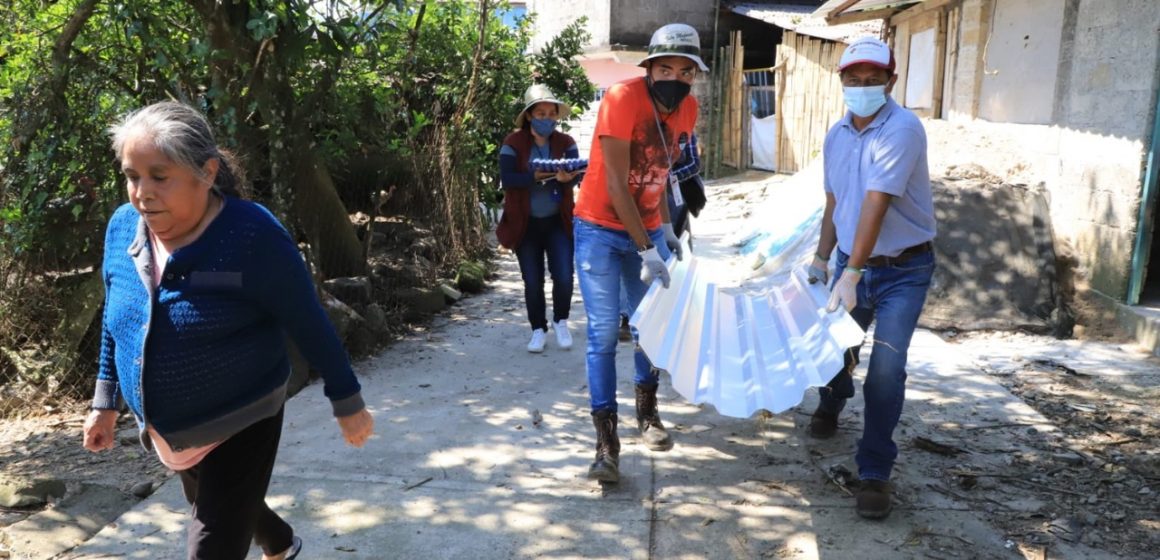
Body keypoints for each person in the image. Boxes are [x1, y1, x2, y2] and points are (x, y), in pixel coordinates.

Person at [82, 101, 375, 559]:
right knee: (227, 502)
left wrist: (347, 400)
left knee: (214, 537)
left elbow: (306, 317)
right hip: (170, 429)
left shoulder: (251, 235)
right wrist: (105, 401)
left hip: (244, 416)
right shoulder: (123, 228)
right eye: (132, 176)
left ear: (207, 171)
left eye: (160, 176)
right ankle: (281, 542)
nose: (142, 193)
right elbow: (118, 316)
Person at [805, 37, 937, 519]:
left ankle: (875, 469)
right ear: (841, 82)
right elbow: (836, 202)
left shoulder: (902, 130)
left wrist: (853, 272)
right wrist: (823, 261)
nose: (863, 88)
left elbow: (876, 205)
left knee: (885, 368)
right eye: (854, 80)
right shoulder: (836, 135)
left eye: (873, 81)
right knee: (837, 351)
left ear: (891, 82)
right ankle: (833, 397)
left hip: (904, 268)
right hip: (848, 261)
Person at [573, 22, 705, 483]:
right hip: (599, 229)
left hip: (648, 227)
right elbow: (615, 181)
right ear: (649, 68)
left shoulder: (688, 108)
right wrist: (646, 248)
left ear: (694, 74)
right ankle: (606, 443)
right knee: (606, 332)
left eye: (685, 70)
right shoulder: (621, 99)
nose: (675, 77)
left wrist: (666, 227)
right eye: (664, 67)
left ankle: (647, 413)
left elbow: (665, 170)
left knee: (651, 325)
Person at [496, 84, 582, 353]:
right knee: (532, 279)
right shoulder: (513, 144)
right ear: (530, 116)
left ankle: (561, 320)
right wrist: (531, 178)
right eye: (541, 113)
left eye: (551, 114)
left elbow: (577, 175)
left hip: (558, 221)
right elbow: (507, 179)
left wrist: (568, 179)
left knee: (565, 276)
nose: (547, 119)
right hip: (525, 223)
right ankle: (537, 328)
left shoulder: (566, 144)